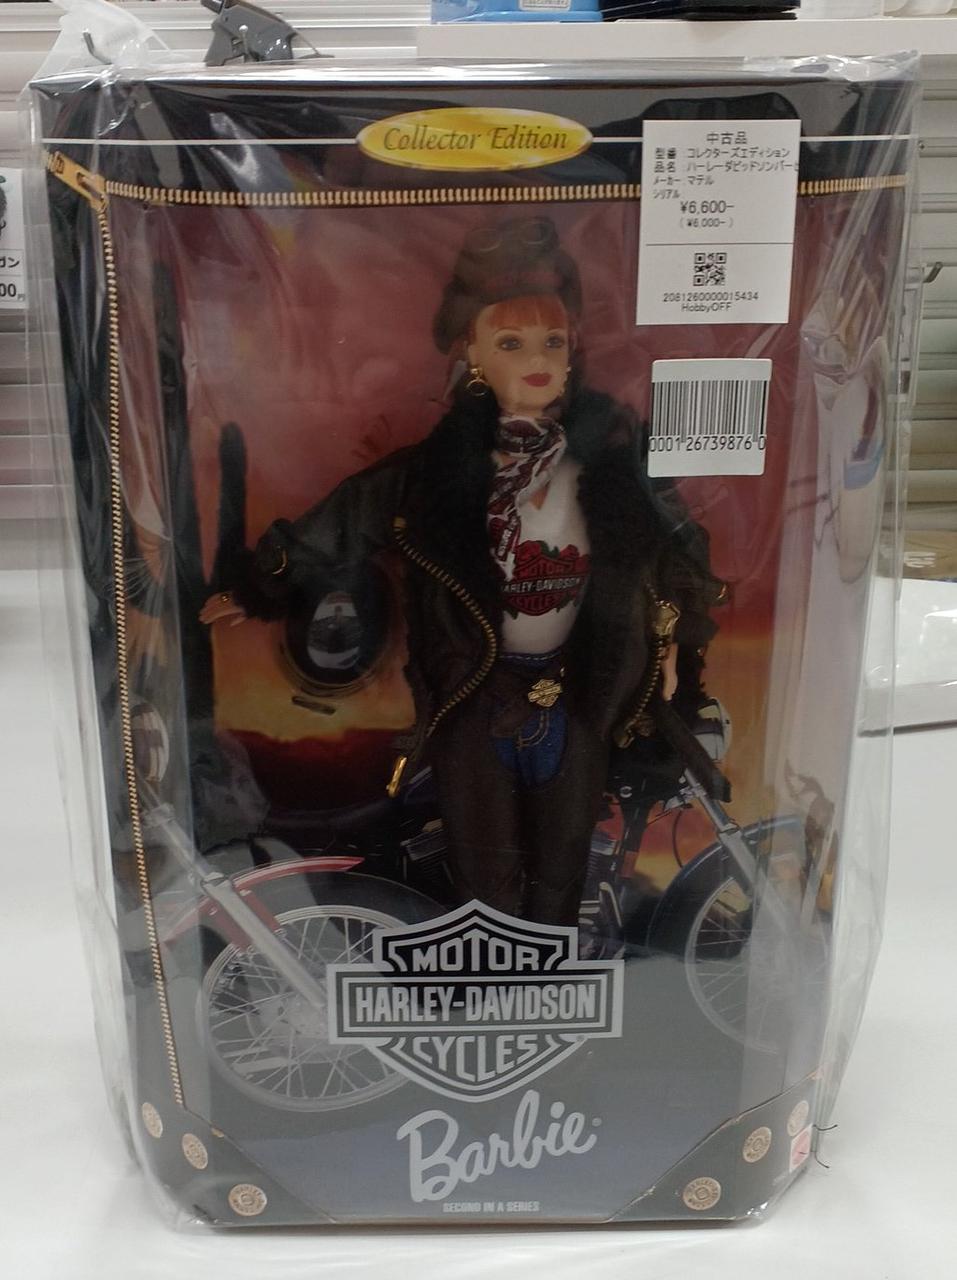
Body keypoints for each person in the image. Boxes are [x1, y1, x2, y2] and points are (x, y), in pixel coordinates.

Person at [201, 216, 723, 927]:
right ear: (472, 353)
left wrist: (674, 650)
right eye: (510, 343)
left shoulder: (610, 470)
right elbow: (348, 517)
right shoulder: (437, 476)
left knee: (562, 869)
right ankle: (489, 977)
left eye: (552, 342)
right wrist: (264, 581)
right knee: (485, 877)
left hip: (578, 695)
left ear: (572, 353)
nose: (536, 359)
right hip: (474, 696)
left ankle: (553, 981)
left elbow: (672, 556)